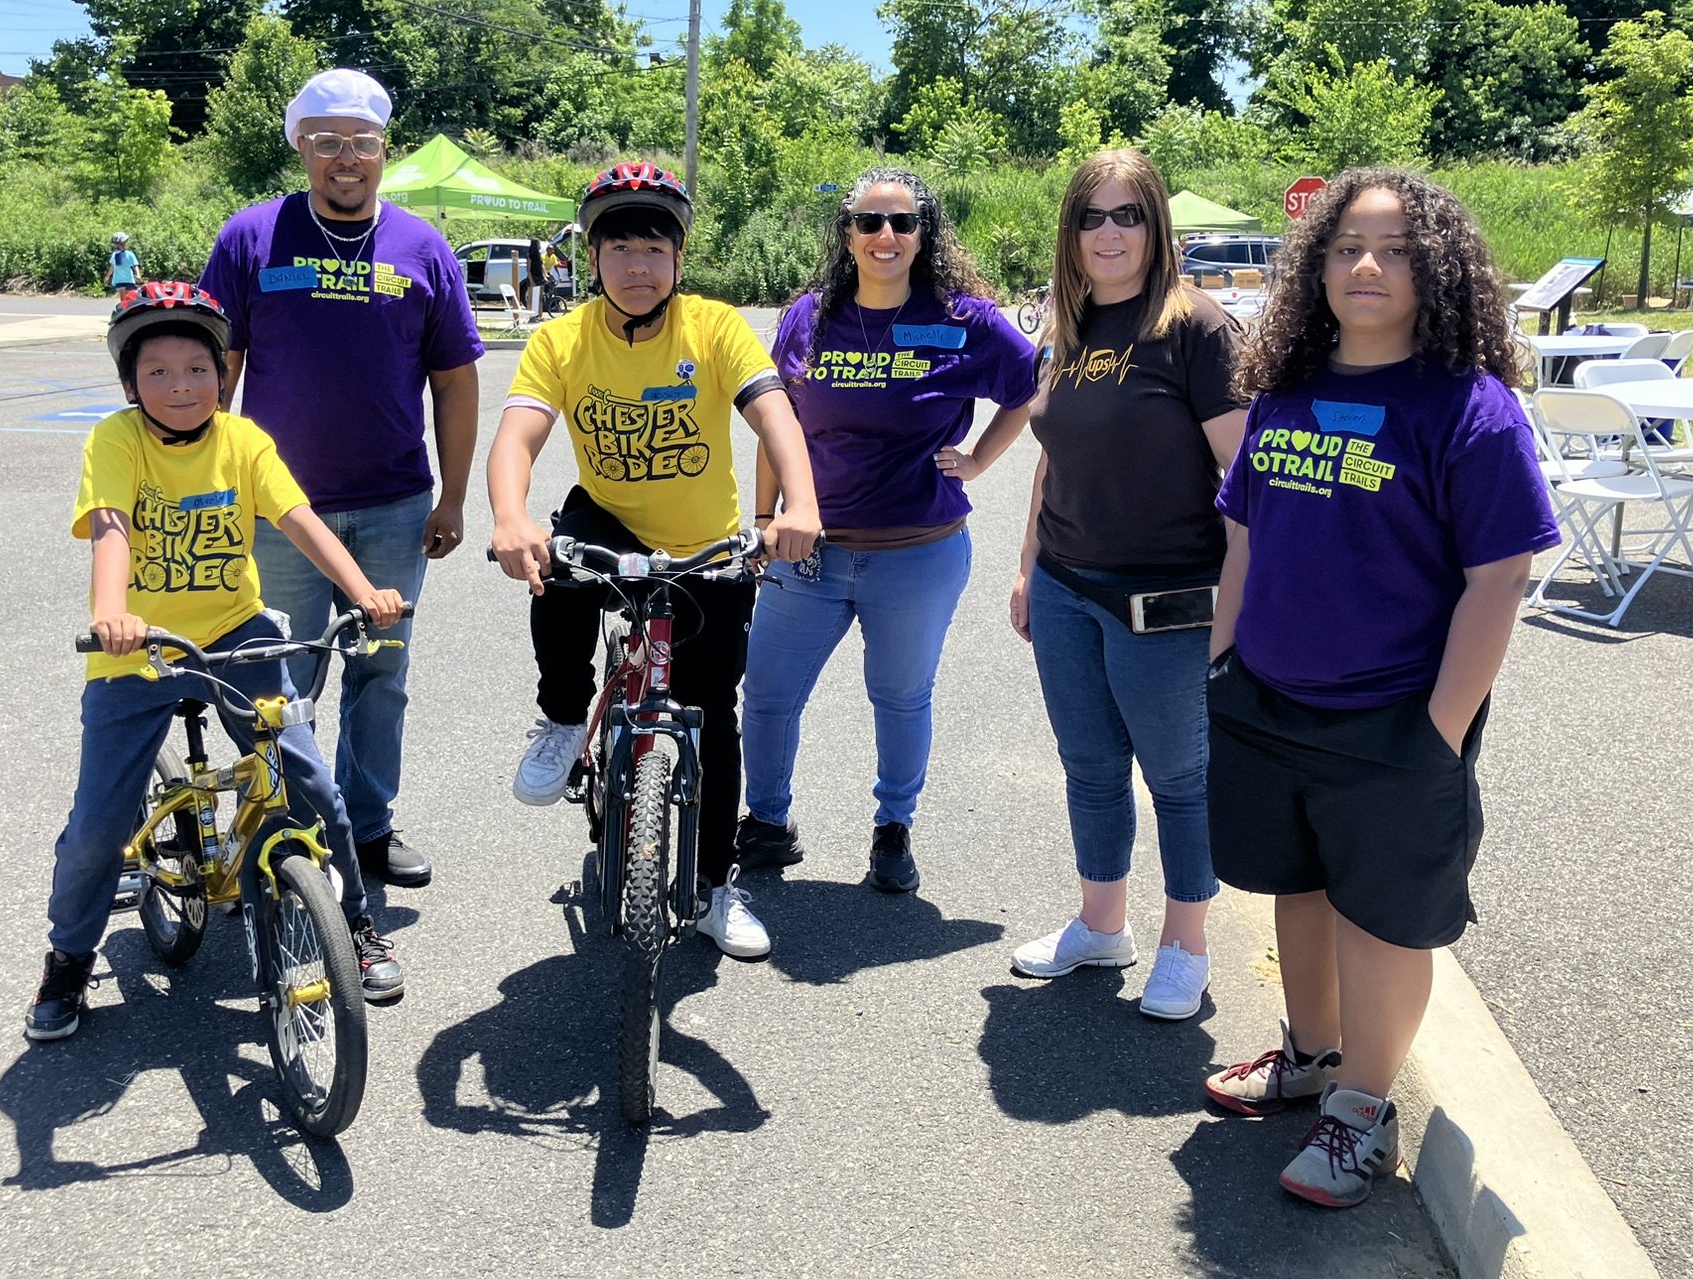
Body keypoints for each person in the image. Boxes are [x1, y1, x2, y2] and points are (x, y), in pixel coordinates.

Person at [1201, 168, 1558, 1208]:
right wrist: (1222, 664)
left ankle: (1361, 1108)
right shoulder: (1287, 389)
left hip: (1393, 719)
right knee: (1296, 889)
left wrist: (1439, 731)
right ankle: (1309, 1058)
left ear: (1434, 268)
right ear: (1313, 264)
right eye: (1347, 245)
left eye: (1395, 248)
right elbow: (1242, 536)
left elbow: (1498, 575)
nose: (1365, 265)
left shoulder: (1467, 409)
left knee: (1381, 921)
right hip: (1264, 699)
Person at [26, 281, 410, 1042]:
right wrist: (113, 613)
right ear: (129, 381)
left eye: (197, 367)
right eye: (158, 371)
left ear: (223, 374)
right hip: (138, 646)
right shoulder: (116, 440)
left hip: (237, 632)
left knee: (313, 787)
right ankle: (69, 956)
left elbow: (297, 518)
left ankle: (356, 927)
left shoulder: (244, 442)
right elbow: (111, 528)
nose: (180, 385)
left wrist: (364, 591)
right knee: (99, 826)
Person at [487, 162, 821, 959]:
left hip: (706, 544)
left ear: (678, 258)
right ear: (590, 257)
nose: (637, 267)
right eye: (619, 248)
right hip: (612, 524)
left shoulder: (712, 327)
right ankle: (567, 717)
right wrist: (507, 515)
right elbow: (519, 436)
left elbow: (774, 415)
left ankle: (713, 888)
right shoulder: (562, 339)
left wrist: (799, 507)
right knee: (560, 558)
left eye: (654, 248)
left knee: (713, 715)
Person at [200, 69, 483, 891]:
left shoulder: (422, 247)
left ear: (383, 150)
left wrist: (455, 497)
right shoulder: (251, 237)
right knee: (280, 683)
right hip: (279, 511)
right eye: (326, 142)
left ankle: (367, 827)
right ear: (300, 148)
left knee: (379, 675)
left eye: (360, 142)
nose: (345, 158)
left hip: (396, 506)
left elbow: (456, 380)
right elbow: (218, 370)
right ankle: (292, 833)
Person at [737, 167, 1038, 895]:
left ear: (924, 234)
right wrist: (764, 517)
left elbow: (1031, 387)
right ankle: (768, 823)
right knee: (770, 694)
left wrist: (976, 459)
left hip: (918, 552)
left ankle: (893, 828)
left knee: (900, 696)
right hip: (809, 551)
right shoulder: (809, 316)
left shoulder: (963, 319)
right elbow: (776, 423)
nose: (886, 237)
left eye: (903, 223)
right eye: (869, 222)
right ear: (846, 233)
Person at [1008, 149, 1248, 1021]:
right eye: (1091, 217)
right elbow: (1052, 461)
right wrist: (1029, 566)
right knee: (1091, 768)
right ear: (1070, 234)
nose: (1108, 234)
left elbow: (1245, 480)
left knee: (1179, 777)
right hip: (1068, 585)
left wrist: (1238, 611)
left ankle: (1186, 944)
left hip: (1168, 598)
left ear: (1156, 226)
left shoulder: (1195, 328)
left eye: (1127, 216)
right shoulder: (1065, 330)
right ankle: (1101, 924)